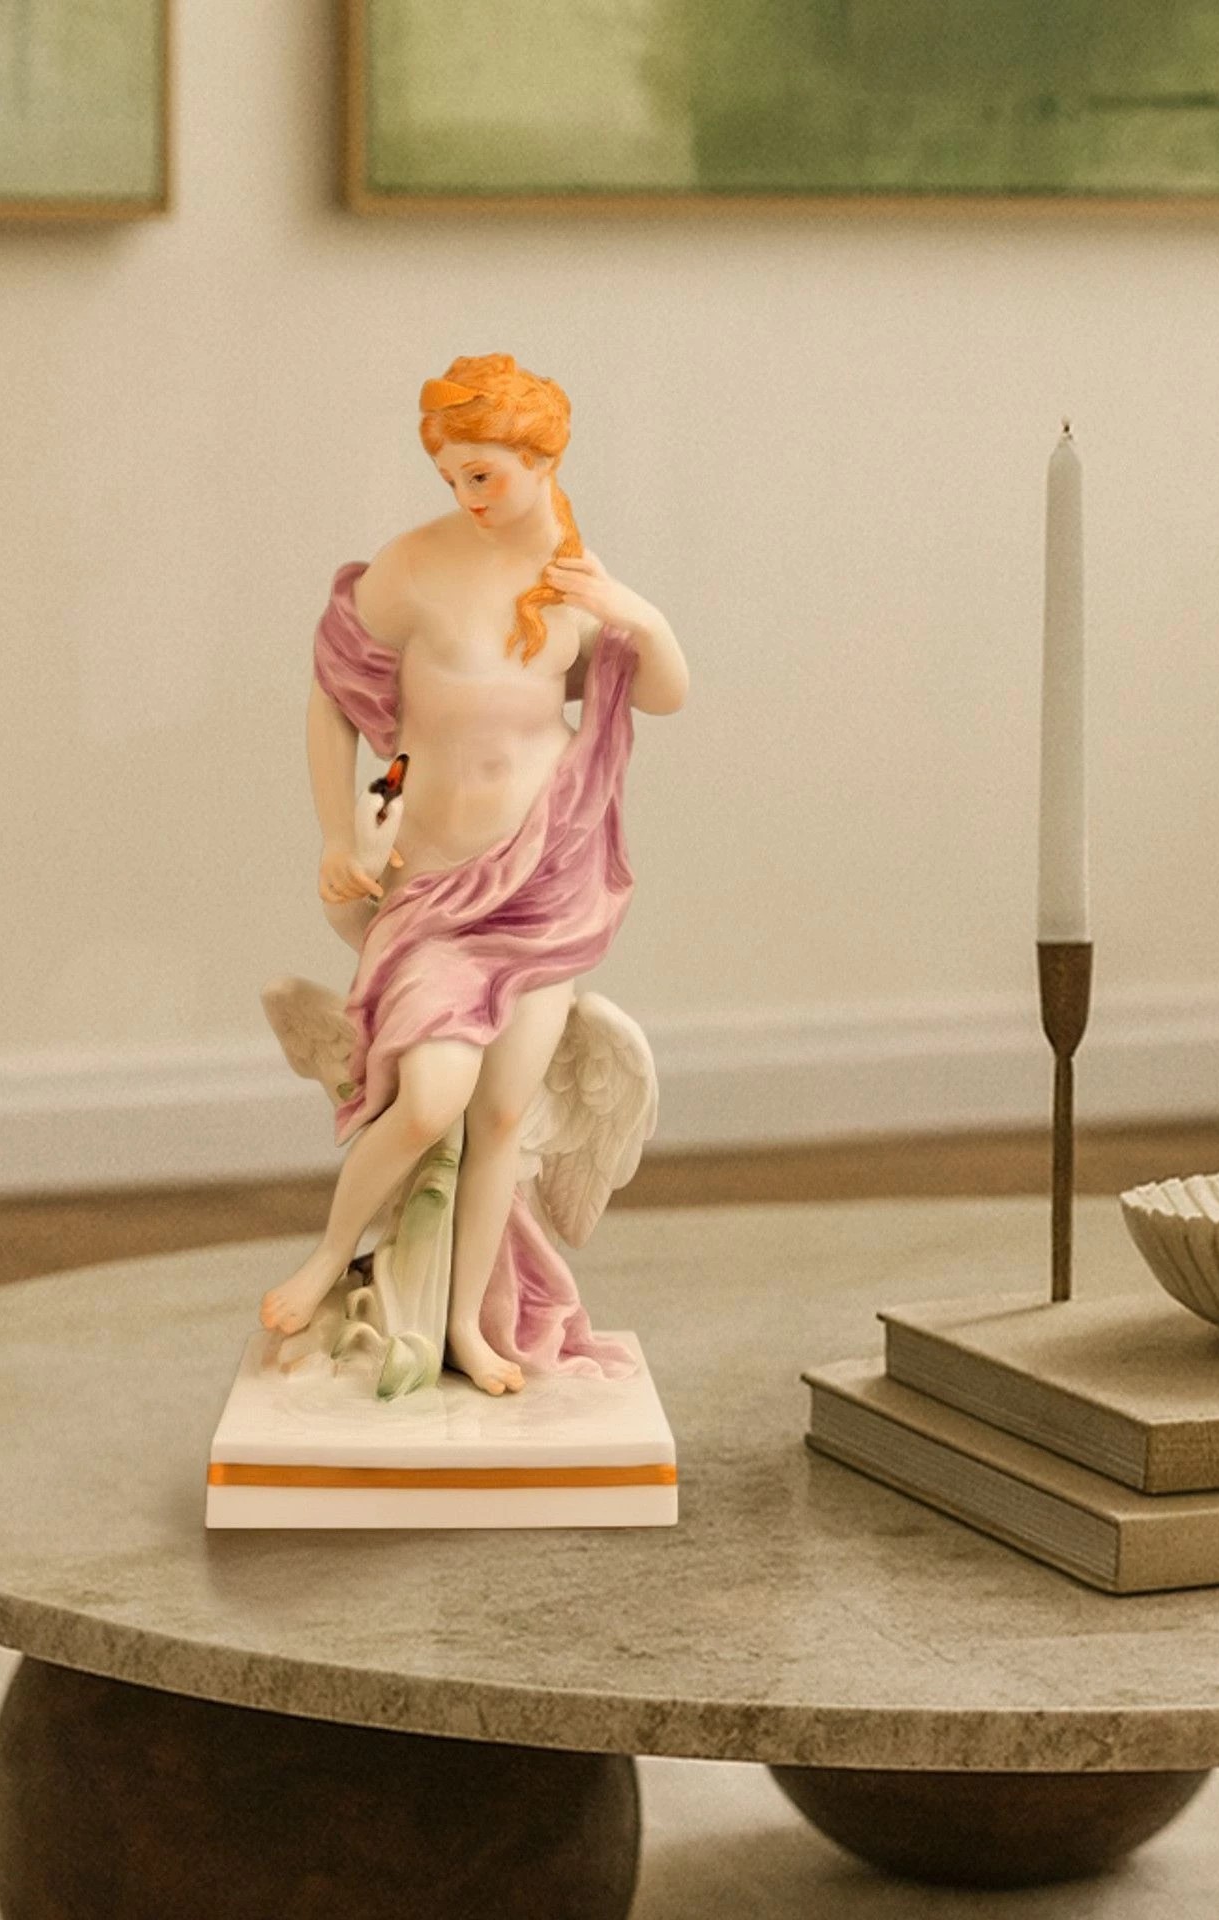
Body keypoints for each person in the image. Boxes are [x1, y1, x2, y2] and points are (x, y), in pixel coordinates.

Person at [259, 354, 688, 1394]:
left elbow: (664, 693)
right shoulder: (413, 565)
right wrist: (339, 833)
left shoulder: (577, 587)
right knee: (428, 1099)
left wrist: (640, 615)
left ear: (541, 460)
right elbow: (331, 698)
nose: (467, 494)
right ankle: (328, 1255)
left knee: (501, 1119)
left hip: (545, 884)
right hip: (436, 886)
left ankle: (466, 1325)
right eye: (452, 475)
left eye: (483, 473)